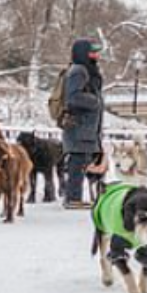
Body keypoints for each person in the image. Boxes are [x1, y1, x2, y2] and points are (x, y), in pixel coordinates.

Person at [61, 39, 106, 210]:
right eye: (92, 52)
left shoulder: (87, 70)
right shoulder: (79, 71)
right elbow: (72, 97)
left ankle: (88, 196)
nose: (96, 55)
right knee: (77, 162)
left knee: (87, 161)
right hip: (79, 127)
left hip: (87, 128)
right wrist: (95, 102)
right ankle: (73, 198)